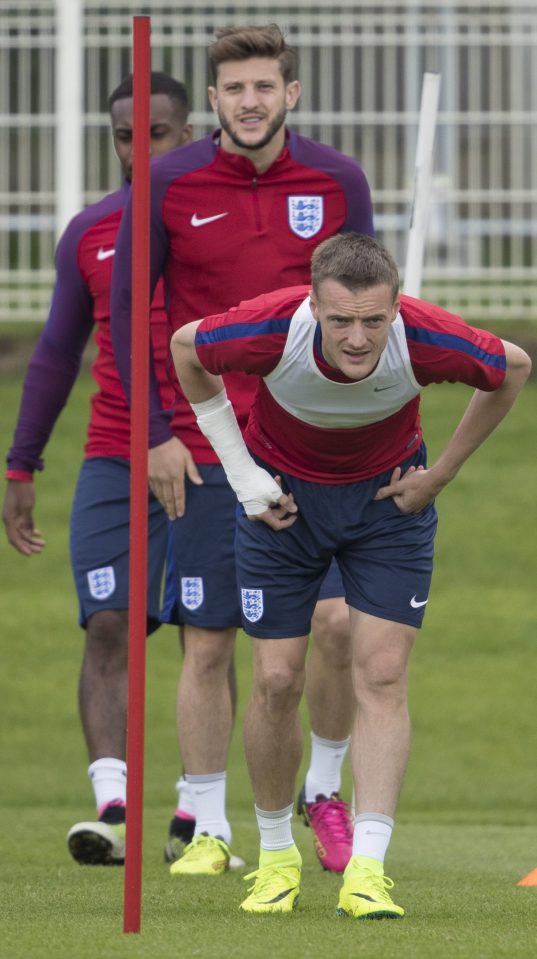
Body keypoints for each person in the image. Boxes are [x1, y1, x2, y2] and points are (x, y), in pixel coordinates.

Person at [169, 231, 531, 916]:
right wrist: (242, 474)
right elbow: (187, 347)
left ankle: (367, 867)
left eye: (373, 320)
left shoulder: (425, 337)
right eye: (340, 320)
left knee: (383, 673)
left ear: (396, 308)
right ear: (313, 304)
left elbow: (511, 366)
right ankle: (276, 857)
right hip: (283, 507)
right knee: (275, 679)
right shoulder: (272, 326)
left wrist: (442, 473)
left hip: (386, 508)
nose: (358, 338)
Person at [110, 23, 374, 877]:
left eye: (264, 87)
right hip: (206, 447)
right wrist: (152, 433)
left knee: (334, 627)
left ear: (289, 94)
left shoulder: (337, 180)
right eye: (234, 89)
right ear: (212, 103)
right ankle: (209, 826)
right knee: (210, 642)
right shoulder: (168, 180)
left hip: (320, 444)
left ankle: (324, 792)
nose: (250, 102)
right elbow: (125, 314)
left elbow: (371, 304)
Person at [2, 73, 193, 866]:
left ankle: (197, 816)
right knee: (108, 621)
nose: (139, 147)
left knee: (204, 631)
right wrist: (21, 462)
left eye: (157, 132)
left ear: (188, 132)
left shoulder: (211, 225)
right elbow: (54, 353)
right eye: (124, 134)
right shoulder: (90, 230)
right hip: (114, 452)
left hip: (208, 450)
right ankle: (111, 806)